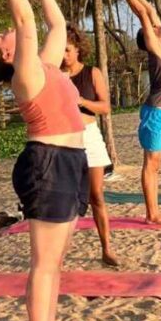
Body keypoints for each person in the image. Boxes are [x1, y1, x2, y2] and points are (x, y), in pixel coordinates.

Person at [0, 0, 88, 321]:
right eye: (3, 37)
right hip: (48, 163)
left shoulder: (42, 65)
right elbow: (24, 19)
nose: (10, 32)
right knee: (44, 259)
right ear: (6, 54)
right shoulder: (24, 76)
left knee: (55, 258)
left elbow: (55, 25)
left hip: (70, 160)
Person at [104, 0, 161, 223]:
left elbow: (148, 8)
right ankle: (152, 214)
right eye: (154, 28)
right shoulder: (157, 49)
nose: (158, 26)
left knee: (156, 165)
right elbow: (142, 15)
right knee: (151, 165)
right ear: (149, 38)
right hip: (156, 114)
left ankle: (154, 211)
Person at [61, 26, 118, 265]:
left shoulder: (91, 73)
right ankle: (60, 253)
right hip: (66, 138)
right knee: (66, 200)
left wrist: (81, 100)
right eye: (61, 50)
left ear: (78, 50)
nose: (64, 55)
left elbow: (105, 107)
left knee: (97, 196)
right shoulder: (55, 74)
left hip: (90, 136)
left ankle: (106, 248)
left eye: (68, 50)